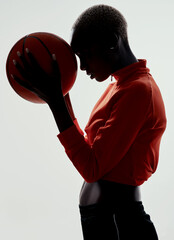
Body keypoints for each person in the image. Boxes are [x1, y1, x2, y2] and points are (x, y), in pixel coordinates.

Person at [13, 4, 167, 240]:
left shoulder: (138, 91)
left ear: (112, 42)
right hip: (105, 219)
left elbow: (92, 168)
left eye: (86, 54)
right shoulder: (120, 86)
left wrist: (56, 103)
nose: (82, 66)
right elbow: (92, 152)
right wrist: (61, 92)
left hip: (121, 224)